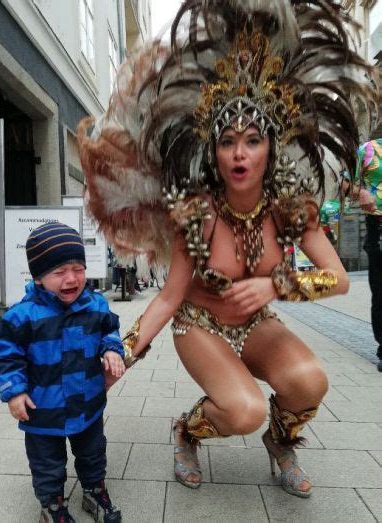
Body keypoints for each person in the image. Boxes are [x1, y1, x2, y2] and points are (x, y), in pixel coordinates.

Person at [77, 0, 378, 498]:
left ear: (272, 146)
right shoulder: (195, 212)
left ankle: (282, 443)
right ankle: (186, 431)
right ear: (213, 150)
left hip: (260, 325)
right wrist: (121, 355)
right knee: (243, 410)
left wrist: (274, 284)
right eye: (228, 140)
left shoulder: (290, 208)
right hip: (200, 325)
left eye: (253, 139)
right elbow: (170, 298)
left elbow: (340, 279)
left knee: (309, 381)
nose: (240, 153)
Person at [0, 223, 124, 522]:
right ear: (38, 277)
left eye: (78, 268)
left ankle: (94, 490)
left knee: (93, 452)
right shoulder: (21, 317)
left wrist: (112, 349)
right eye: (60, 271)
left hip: (88, 401)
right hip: (43, 409)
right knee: (47, 462)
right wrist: (14, 392)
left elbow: (110, 330)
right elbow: (7, 358)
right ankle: (52, 505)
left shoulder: (96, 304)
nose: (72, 278)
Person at [342, 139, 382, 371]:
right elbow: (344, 183)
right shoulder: (368, 150)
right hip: (378, 227)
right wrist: (362, 193)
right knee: (381, 292)